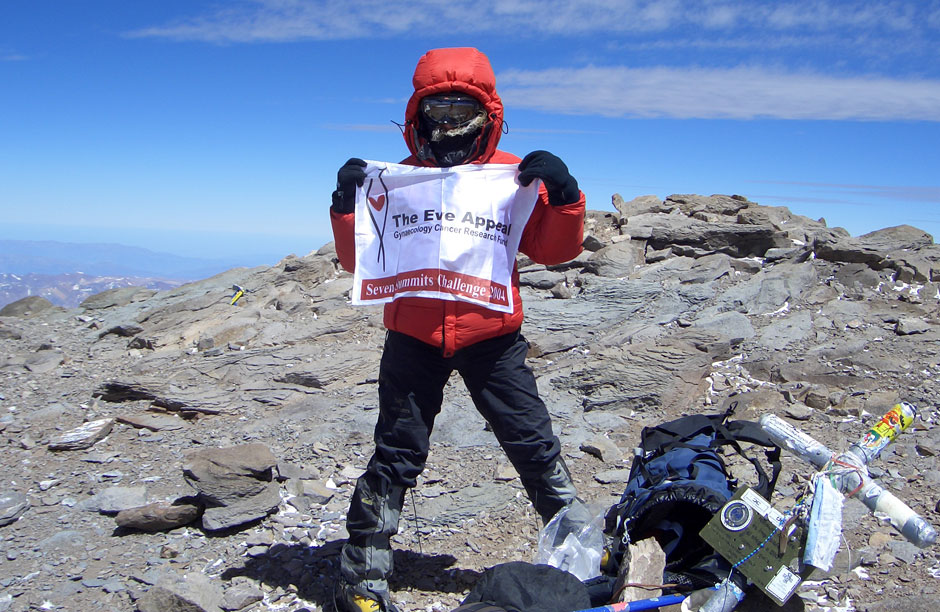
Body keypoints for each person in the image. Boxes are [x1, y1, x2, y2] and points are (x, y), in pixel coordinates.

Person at [329, 47, 588, 612]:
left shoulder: (512, 175)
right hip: (413, 339)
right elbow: (360, 261)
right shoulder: (397, 181)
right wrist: (348, 206)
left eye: (460, 112)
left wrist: (564, 197)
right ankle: (362, 573)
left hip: (491, 338)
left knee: (533, 443)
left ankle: (585, 555)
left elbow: (552, 250)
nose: (447, 127)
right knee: (396, 449)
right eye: (436, 112)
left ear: (487, 114)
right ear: (416, 114)